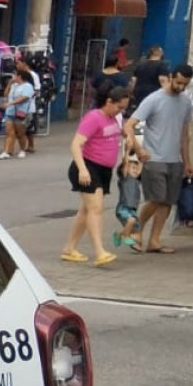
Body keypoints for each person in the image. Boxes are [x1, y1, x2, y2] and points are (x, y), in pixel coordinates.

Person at [125, 62, 193, 255]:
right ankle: (136, 230)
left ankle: (155, 240)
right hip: (153, 158)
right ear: (171, 76)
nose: (181, 87)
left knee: (167, 202)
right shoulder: (154, 99)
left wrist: (187, 162)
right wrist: (139, 150)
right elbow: (129, 125)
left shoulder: (186, 102)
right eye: (179, 82)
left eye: (185, 84)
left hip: (175, 160)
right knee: (156, 198)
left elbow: (184, 135)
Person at [63, 87, 131, 268]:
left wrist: (131, 150)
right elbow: (76, 144)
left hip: (103, 170)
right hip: (87, 167)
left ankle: (69, 248)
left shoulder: (114, 118)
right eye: (119, 107)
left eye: (124, 108)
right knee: (96, 208)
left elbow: (125, 134)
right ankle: (99, 251)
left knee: (86, 210)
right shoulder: (93, 117)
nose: (121, 111)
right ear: (108, 102)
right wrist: (83, 170)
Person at [0, 66, 37, 159]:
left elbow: (24, 98)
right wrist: (9, 84)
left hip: (21, 112)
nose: (13, 77)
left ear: (20, 76)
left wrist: (11, 103)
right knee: (9, 132)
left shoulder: (28, 86)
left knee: (20, 133)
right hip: (10, 112)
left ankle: (22, 149)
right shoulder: (14, 86)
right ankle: (6, 151)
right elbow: (6, 94)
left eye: (15, 75)